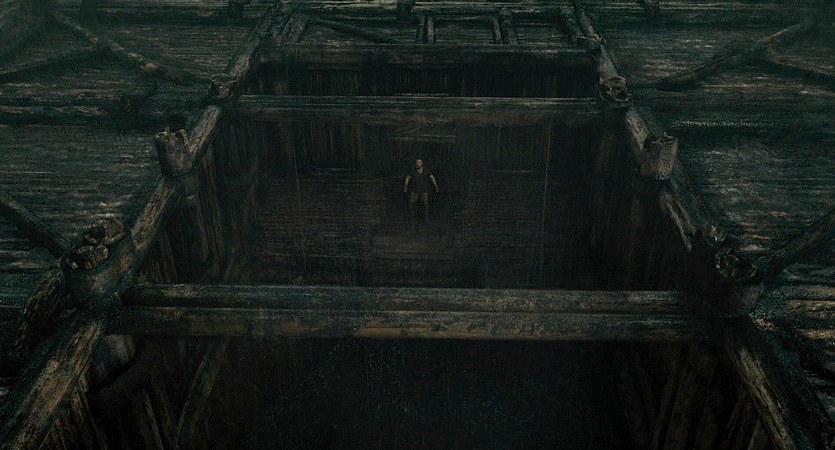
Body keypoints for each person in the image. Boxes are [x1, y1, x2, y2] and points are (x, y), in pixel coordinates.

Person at [403, 158, 439, 224]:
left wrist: (435, 185)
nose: (417, 164)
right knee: (411, 203)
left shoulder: (426, 170)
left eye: (419, 162)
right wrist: (405, 185)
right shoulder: (413, 170)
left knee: (425, 203)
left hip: (424, 189)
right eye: (416, 162)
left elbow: (431, 177)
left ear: (422, 164)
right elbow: (408, 177)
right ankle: (412, 218)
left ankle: (426, 218)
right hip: (414, 189)